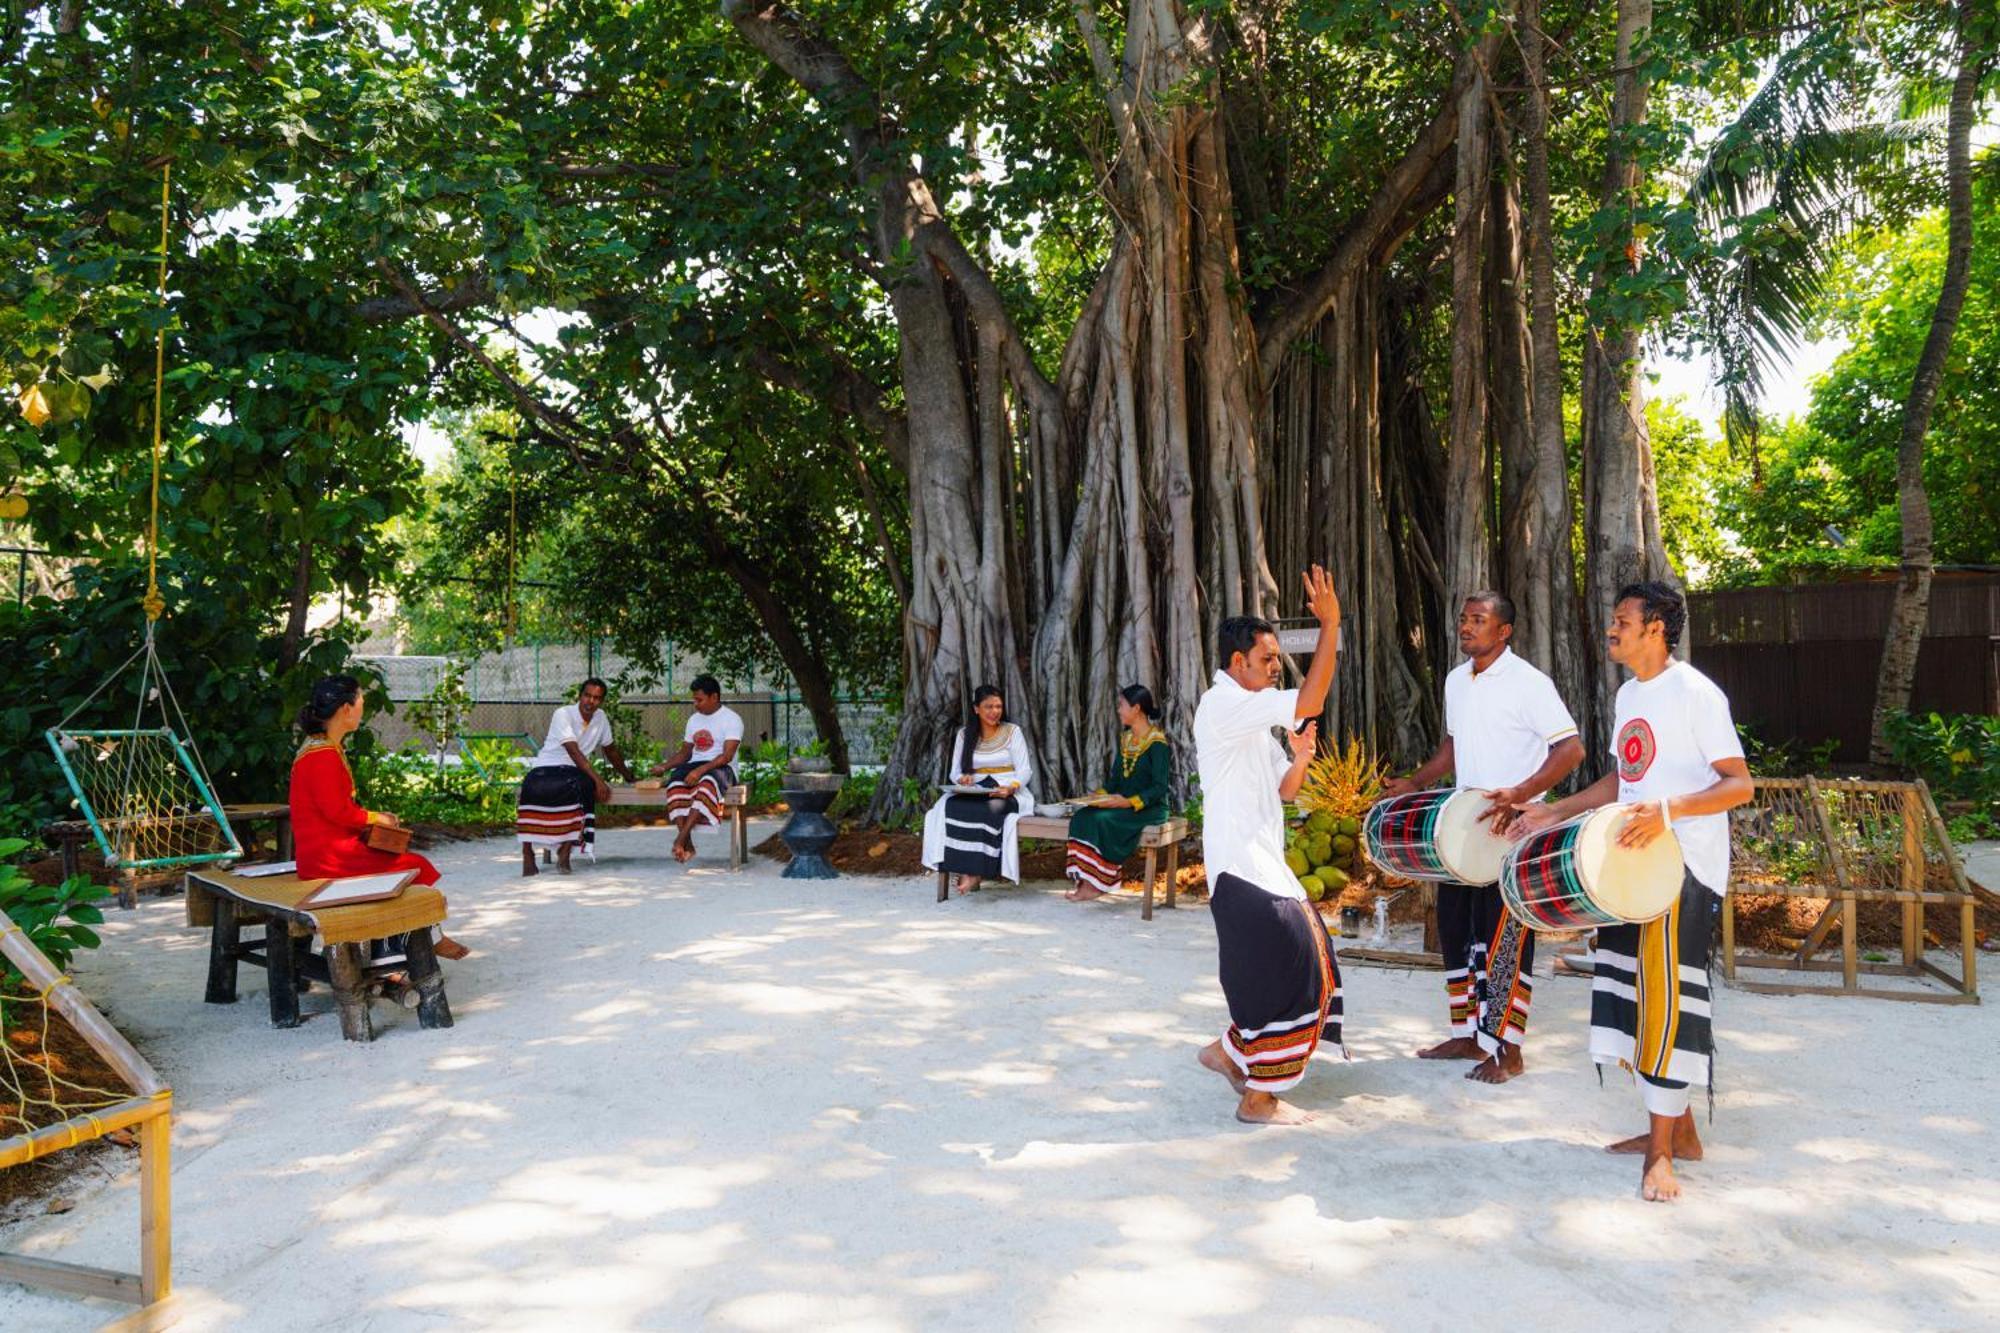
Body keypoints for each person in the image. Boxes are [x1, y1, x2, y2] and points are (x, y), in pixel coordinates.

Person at [1509, 580, 1752, 1202]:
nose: (1611, 628)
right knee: (1627, 992)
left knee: (1666, 1003)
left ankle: (1662, 1154)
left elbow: (1738, 785)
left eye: (1622, 619)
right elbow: (1624, 779)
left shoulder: (1697, 693)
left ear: (1656, 629)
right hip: (1629, 869)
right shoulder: (1627, 695)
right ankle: (1681, 1135)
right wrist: (1554, 812)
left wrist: (1668, 812)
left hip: (1682, 871)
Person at [1381, 592, 1584, 1084]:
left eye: (1478, 620)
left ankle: (1508, 1050)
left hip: (1509, 832)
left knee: (1504, 939)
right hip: (1461, 832)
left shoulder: (1529, 683)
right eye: (1463, 619)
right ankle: (1469, 1034)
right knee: (1457, 933)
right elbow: (1454, 745)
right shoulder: (1456, 680)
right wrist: (1416, 782)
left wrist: (1521, 793)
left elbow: (1571, 749)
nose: (1466, 627)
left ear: (1504, 630)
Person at [1192, 566, 1344, 1126]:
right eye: (1269, 659)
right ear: (1238, 663)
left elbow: (1284, 789)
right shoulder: (1223, 705)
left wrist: (1300, 756)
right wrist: (1331, 625)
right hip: (1240, 870)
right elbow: (1313, 695)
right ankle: (1259, 1097)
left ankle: (1227, 1053)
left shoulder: (1251, 720)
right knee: (1296, 968)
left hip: (1264, 867)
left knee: (1308, 963)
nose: (1277, 666)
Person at [290, 675, 469, 961]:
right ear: (345, 709)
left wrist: (374, 819)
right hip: (329, 857)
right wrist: (378, 819)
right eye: (361, 701)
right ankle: (396, 951)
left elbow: (335, 810)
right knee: (414, 865)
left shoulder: (320, 746)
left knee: (406, 864)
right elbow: (337, 811)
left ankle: (399, 947)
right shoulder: (322, 754)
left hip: (325, 852)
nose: (363, 707)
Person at [921, 685, 1037, 895]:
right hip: (976, 789)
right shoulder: (965, 735)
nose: (995, 711)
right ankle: (961, 867)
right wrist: (963, 779)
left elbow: (1025, 770)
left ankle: (975, 873)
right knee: (950, 806)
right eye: (988, 707)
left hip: (1007, 790)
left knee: (989, 810)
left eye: (998, 706)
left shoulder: (1012, 732)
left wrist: (1011, 788)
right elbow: (954, 772)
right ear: (976, 709)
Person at [1064, 685, 1172, 903]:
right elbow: (1115, 780)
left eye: (1122, 705)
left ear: (1137, 708)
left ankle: (1097, 884)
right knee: (1083, 816)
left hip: (1148, 809)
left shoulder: (1158, 744)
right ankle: (1086, 881)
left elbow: (1160, 787)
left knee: (1103, 820)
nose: (1118, 710)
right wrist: (1099, 797)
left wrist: (1128, 802)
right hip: (1122, 806)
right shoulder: (1126, 739)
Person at [518, 678, 635, 876]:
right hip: (548, 765)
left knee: (583, 787)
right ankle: (527, 853)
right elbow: (573, 751)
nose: (591, 701)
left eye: (597, 698)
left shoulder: (601, 718)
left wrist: (628, 775)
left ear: (602, 701)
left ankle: (565, 852)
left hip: (575, 771)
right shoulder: (563, 714)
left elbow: (611, 750)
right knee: (530, 787)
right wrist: (599, 780)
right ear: (580, 696)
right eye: (587, 696)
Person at [654, 675, 745, 863]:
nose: (695, 704)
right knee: (674, 786)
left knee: (706, 785)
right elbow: (685, 754)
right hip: (697, 765)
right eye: (694, 699)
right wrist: (664, 766)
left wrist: (700, 771)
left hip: (722, 768)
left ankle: (680, 840)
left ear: (714, 697)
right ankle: (687, 844)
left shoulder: (732, 719)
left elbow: (727, 756)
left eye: (699, 699)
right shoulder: (694, 720)